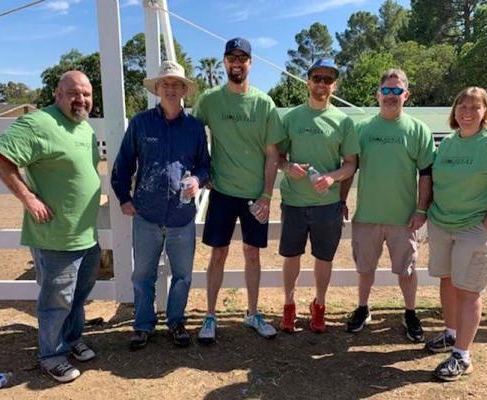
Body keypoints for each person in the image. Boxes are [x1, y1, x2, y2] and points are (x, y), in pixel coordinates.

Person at [0, 71, 101, 383]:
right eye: (73, 93)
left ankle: (71, 340)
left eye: (86, 94)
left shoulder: (83, 126)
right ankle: (51, 355)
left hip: (85, 234)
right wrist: (27, 197)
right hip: (55, 236)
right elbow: (0, 156)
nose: (81, 100)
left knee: (79, 296)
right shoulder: (38, 123)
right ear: (57, 94)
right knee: (56, 301)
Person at [111, 60, 210, 350]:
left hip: (181, 216)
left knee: (182, 276)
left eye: (175, 84)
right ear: (156, 88)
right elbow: (123, 164)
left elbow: (205, 165)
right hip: (147, 214)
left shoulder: (194, 127)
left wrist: (198, 180)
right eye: (164, 83)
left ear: (183, 90)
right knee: (142, 275)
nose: (169, 88)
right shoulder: (141, 123)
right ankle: (143, 325)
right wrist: (124, 198)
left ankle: (177, 322)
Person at [193, 37, 286, 343]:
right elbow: (192, 137)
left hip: (254, 195)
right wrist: (200, 172)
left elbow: (273, 153)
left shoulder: (264, 103)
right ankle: (209, 316)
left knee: (252, 255)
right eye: (231, 57)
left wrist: (267, 195)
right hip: (221, 191)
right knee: (217, 254)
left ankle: (253, 313)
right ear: (224, 62)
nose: (237, 63)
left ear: (250, 63)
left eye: (242, 58)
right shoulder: (209, 100)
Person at [343, 69, 434, 342]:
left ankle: (409, 312)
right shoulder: (362, 129)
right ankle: (362, 308)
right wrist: (340, 200)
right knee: (365, 269)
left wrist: (421, 209)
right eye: (386, 90)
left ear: (406, 95)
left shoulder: (418, 130)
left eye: (397, 91)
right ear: (378, 94)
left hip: (403, 218)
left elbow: (426, 173)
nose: (390, 96)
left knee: (407, 270)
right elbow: (349, 167)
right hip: (367, 215)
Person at [277, 59, 359, 333]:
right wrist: (288, 167)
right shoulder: (291, 118)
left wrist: (331, 178)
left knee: (324, 258)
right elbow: (277, 157)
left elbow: (350, 163)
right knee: (291, 256)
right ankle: (289, 305)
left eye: (327, 79)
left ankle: (319, 305)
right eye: (317, 78)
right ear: (308, 81)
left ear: (333, 85)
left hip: (328, 204)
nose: (322, 84)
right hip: (294, 202)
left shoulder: (343, 121)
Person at [425, 87, 487, 381]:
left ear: (485, 112)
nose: (466, 112)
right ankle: (451, 334)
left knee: (469, 291)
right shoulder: (448, 143)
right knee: (447, 281)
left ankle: (462, 355)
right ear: (454, 111)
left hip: (473, 228)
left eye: (474, 107)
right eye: (461, 106)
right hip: (442, 225)